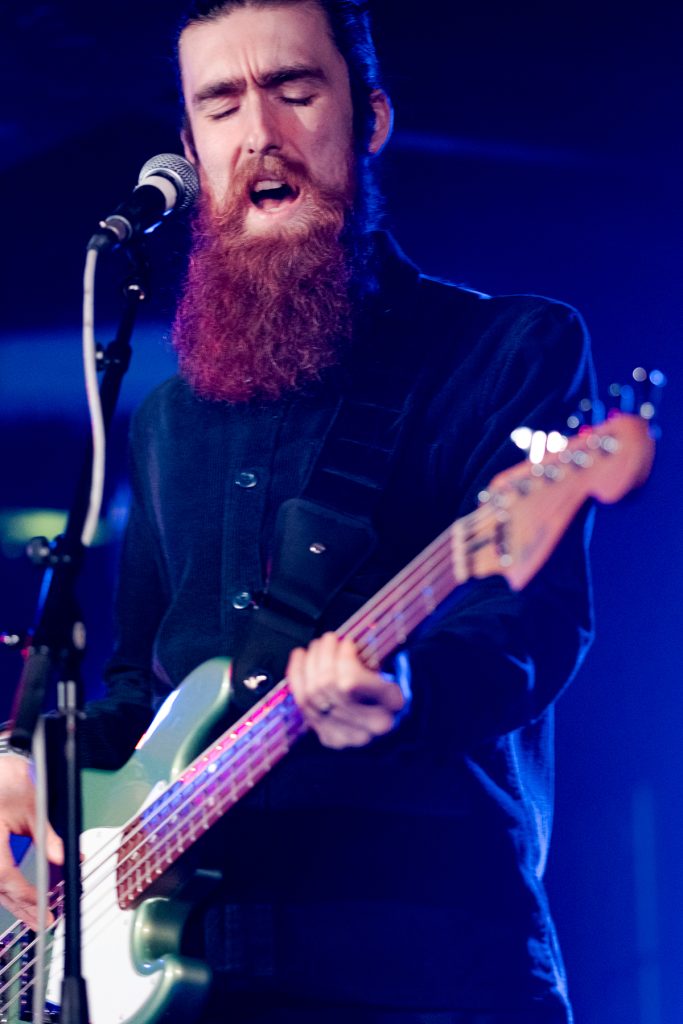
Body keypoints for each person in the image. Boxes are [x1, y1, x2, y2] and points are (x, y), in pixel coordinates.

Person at [0, 2, 595, 1021]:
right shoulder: (168, 418)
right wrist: (28, 762)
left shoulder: (506, 351)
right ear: (190, 148)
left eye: (293, 89)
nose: (259, 134)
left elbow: (527, 628)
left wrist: (406, 689)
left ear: (369, 118)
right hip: (193, 979)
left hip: (421, 968)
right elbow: (141, 689)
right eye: (221, 105)